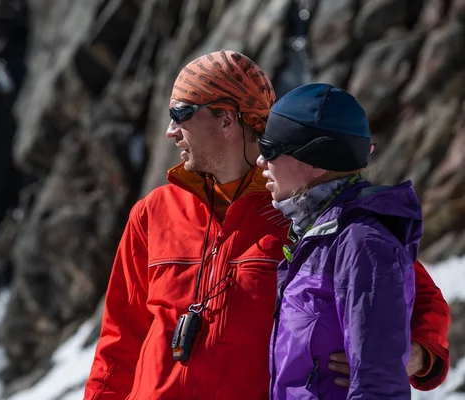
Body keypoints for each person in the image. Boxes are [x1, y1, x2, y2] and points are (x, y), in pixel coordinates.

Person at [84, 50, 450, 400]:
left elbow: (408, 290)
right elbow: (119, 342)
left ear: (226, 118)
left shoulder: (304, 214)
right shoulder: (153, 213)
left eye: (179, 113)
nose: (170, 131)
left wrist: (410, 356)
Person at [256, 83, 432, 399]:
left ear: (316, 160)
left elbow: (378, 388)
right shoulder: (316, 235)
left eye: (270, 149)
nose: (260, 161)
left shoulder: (362, 244)